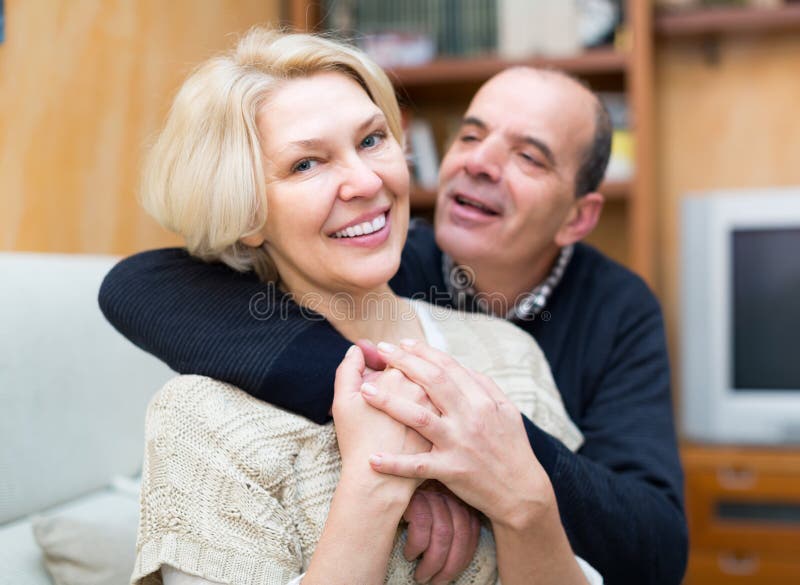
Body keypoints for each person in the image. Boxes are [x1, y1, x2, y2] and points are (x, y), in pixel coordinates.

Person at [101, 49, 687, 585]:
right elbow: (142, 286)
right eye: (471, 135)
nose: (478, 164)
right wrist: (416, 425)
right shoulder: (386, 249)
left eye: (529, 157)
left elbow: (651, 545)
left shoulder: (584, 324)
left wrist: (504, 470)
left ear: (577, 219)